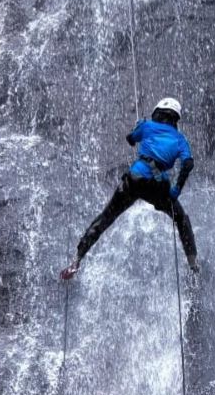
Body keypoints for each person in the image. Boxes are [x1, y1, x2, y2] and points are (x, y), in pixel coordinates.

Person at [60, 97, 199, 279]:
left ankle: (76, 261)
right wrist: (176, 190)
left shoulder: (147, 126)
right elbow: (188, 164)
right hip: (157, 187)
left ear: (157, 113)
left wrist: (138, 128)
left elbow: (130, 139)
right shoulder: (180, 139)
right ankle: (193, 265)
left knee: (106, 217)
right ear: (175, 119)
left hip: (134, 179)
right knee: (181, 219)